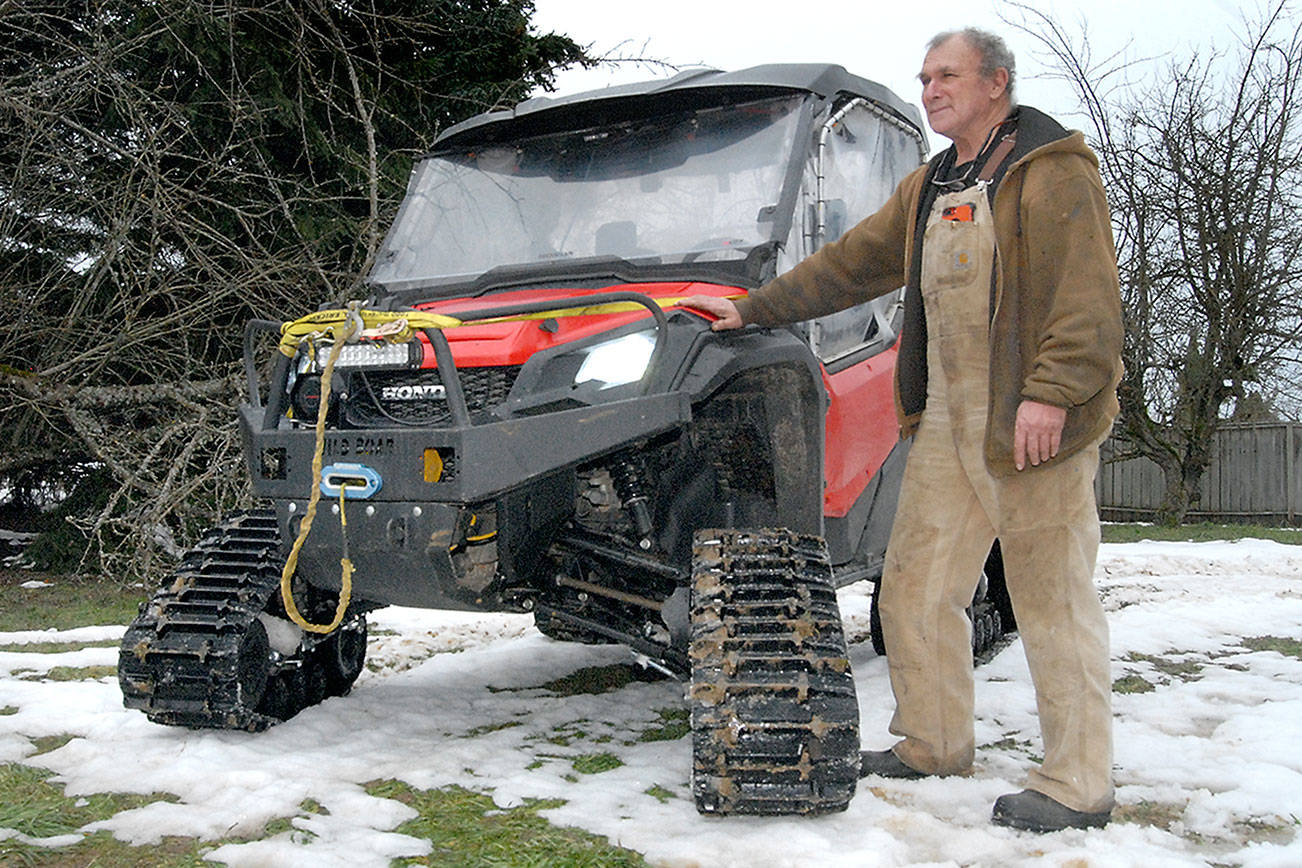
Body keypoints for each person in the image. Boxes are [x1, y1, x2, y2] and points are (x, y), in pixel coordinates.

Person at [683, 28, 1123, 833]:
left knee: (1052, 599)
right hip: (949, 416)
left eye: (947, 75)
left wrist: (1052, 395)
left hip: (1031, 418)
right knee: (915, 590)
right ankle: (933, 742)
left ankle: (1078, 782)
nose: (930, 90)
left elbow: (1087, 299)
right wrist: (751, 309)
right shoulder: (933, 184)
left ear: (996, 83)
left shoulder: (1052, 171)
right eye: (923, 78)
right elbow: (850, 264)